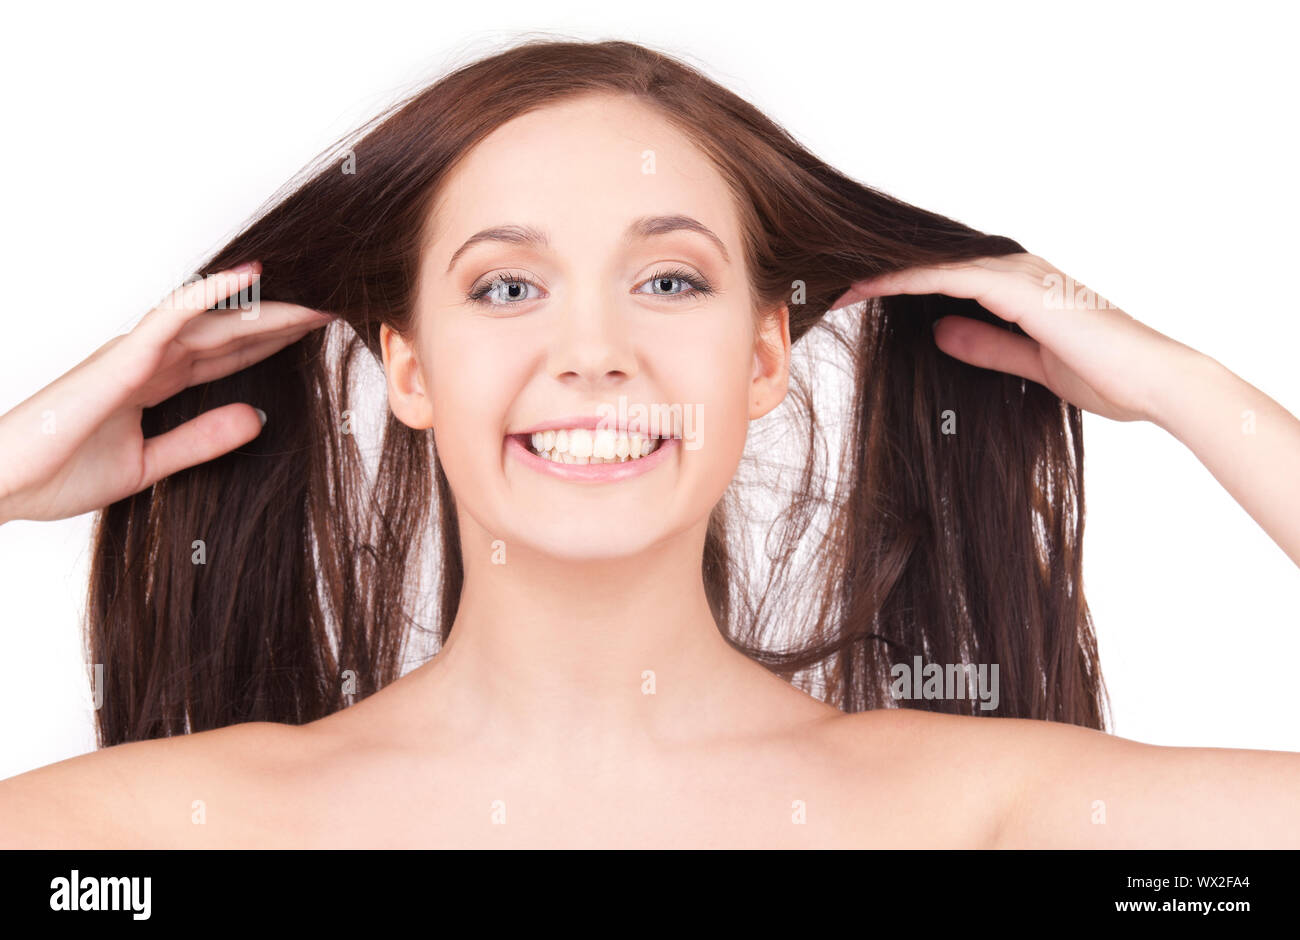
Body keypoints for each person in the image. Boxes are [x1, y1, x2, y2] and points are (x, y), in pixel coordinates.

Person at [0, 39, 1297, 848]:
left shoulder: (985, 818)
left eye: (668, 283)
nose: (594, 353)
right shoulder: (173, 834)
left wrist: (1184, 386)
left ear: (761, 359)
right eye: (507, 288)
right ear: (408, 368)